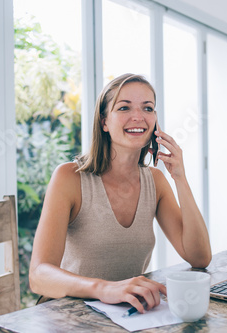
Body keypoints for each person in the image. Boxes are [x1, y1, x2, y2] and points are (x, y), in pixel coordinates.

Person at [29, 73, 212, 314]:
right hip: (67, 315)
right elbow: (39, 275)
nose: (138, 117)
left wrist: (180, 178)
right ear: (104, 122)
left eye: (148, 108)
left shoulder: (155, 181)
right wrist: (104, 289)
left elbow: (199, 258)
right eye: (124, 107)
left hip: (125, 315)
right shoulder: (69, 177)